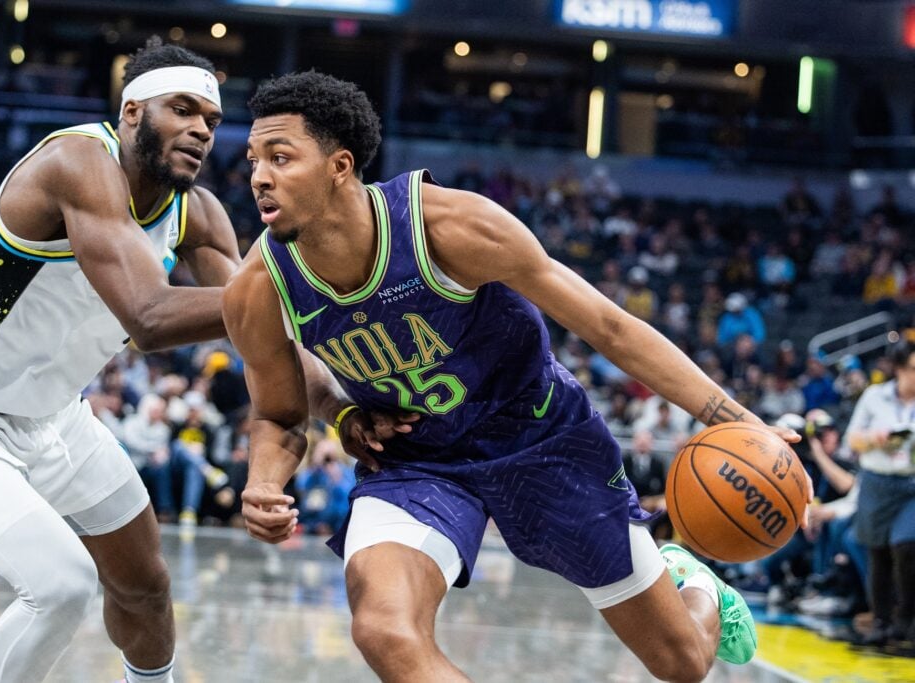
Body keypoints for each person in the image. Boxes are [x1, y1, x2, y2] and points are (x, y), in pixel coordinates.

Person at [223, 71, 807, 683]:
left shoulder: (449, 227)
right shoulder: (256, 289)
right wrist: (266, 480)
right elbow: (277, 413)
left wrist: (735, 419)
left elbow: (608, 327)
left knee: (681, 663)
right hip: (418, 461)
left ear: (339, 166)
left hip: (542, 440)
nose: (259, 175)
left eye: (280, 157)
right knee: (383, 629)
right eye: (255, 158)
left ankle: (692, 582)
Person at [0, 41, 374, 683]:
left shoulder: (197, 214)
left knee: (145, 587)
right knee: (61, 588)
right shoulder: (77, 162)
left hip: (56, 420)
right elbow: (148, 318)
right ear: (132, 113)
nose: (200, 130)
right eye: (181, 110)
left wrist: (342, 413)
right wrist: (292, 290)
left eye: (210, 120)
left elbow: (263, 334)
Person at [844, 341, 915, 647]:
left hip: (910, 484)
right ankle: (882, 621)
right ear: (899, 369)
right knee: (877, 553)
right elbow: (852, 440)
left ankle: (905, 619)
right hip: (876, 481)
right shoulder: (875, 396)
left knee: (905, 543)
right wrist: (876, 439)